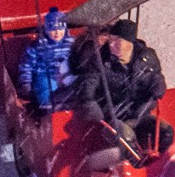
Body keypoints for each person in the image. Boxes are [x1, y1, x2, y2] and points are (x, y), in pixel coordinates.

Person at [71, 18, 169, 156]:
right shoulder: (100, 60)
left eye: (117, 41)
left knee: (165, 132)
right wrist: (89, 102)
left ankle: (161, 166)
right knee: (125, 138)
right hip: (112, 116)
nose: (111, 44)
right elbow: (87, 83)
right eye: (110, 40)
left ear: (129, 43)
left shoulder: (147, 57)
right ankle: (136, 169)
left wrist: (158, 87)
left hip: (139, 113)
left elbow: (156, 78)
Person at [16, 7, 76, 111]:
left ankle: (74, 107)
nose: (57, 33)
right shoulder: (37, 46)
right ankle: (47, 109)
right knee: (45, 88)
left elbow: (79, 58)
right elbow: (27, 66)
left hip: (68, 75)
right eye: (53, 30)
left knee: (79, 86)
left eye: (60, 29)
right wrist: (26, 83)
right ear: (46, 30)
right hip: (47, 76)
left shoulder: (72, 43)